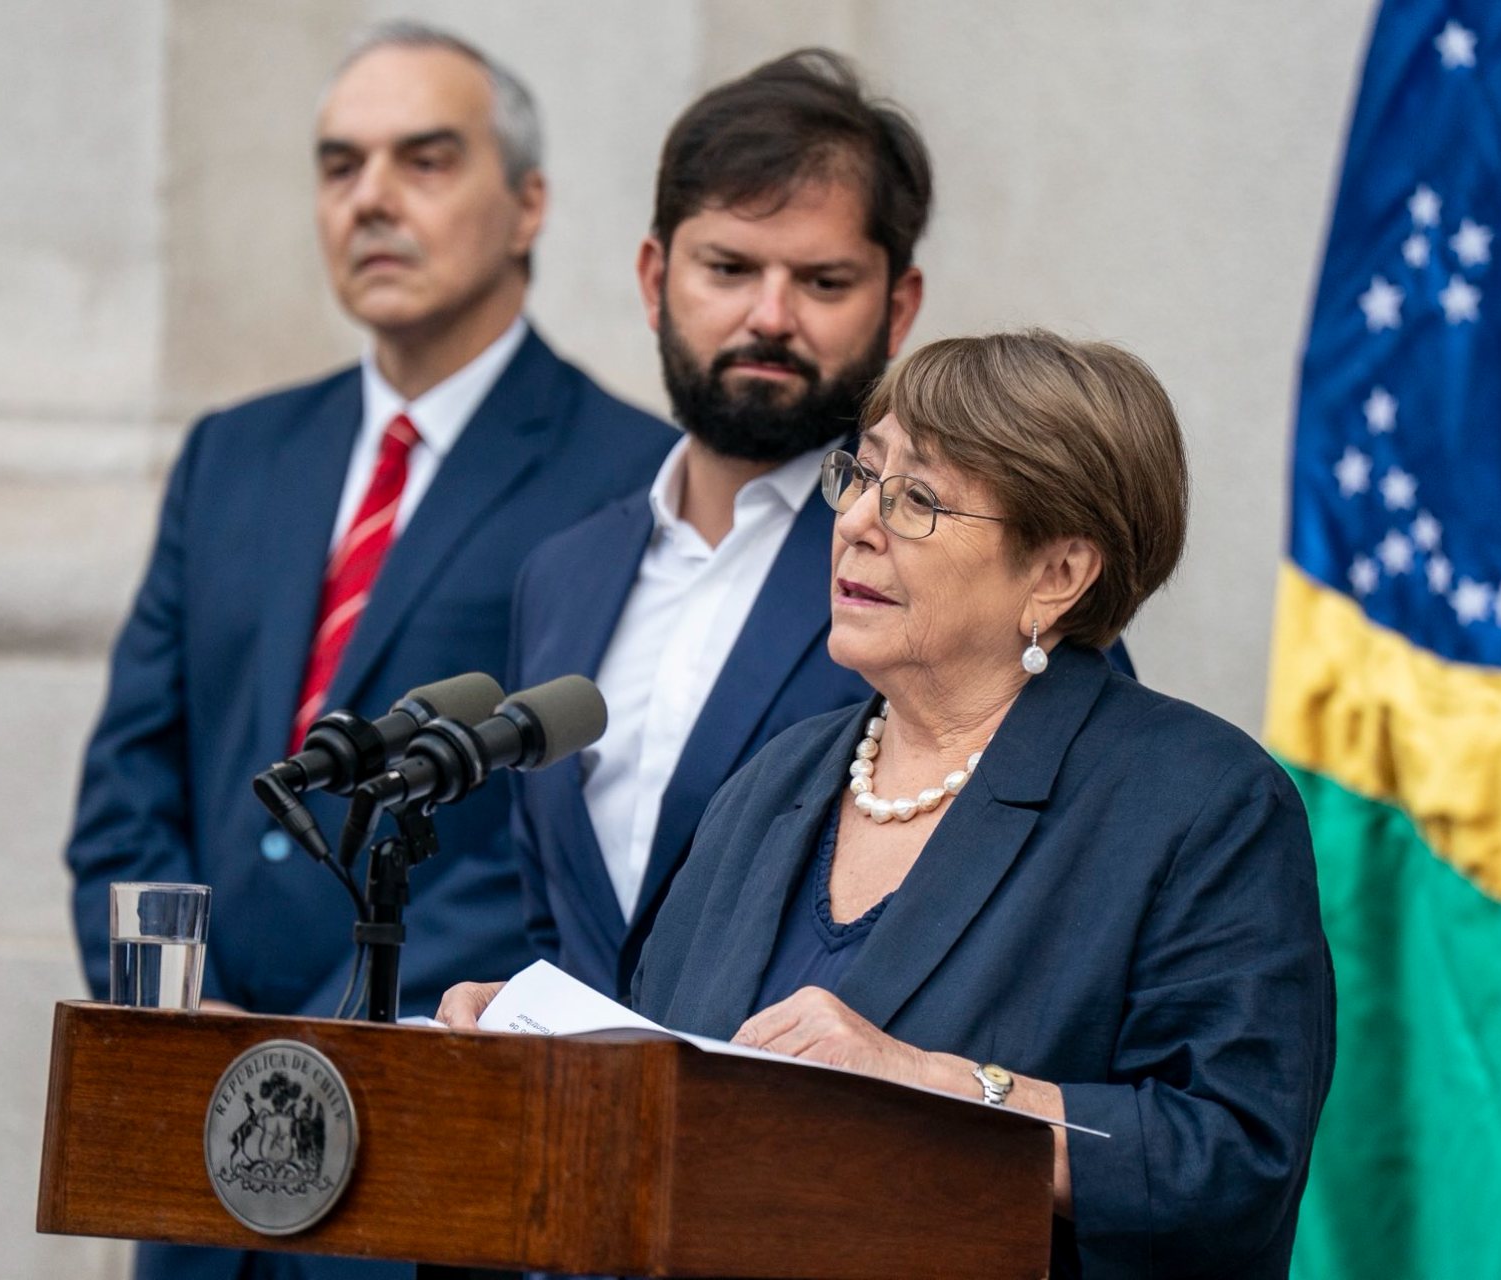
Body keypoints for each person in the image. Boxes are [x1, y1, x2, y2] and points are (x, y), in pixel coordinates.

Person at [448, 331, 1334, 1278]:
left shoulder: (1199, 804)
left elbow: (1236, 1156)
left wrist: (926, 1087)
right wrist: (548, 1050)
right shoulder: (774, 784)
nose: (857, 521)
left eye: (917, 499)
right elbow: (681, 1085)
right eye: (860, 476)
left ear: (1057, 575)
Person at [65, 22, 670, 1280]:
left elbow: (572, 835)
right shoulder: (235, 454)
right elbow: (131, 790)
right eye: (340, 166)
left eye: (425, 159)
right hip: (198, 1152)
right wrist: (189, 1033)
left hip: (424, 1159)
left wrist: (341, 1052)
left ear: (529, 204)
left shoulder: (627, 478)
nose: (373, 199)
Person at [507, 51, 1133, 1000]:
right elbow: (552, 916)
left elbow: (1069, 911)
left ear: (899, 307)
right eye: (728, 267)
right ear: (653, 277)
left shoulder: (961, 571)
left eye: (824, 281)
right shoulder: (562, 573)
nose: (771, 316)